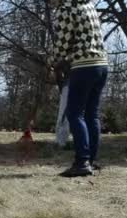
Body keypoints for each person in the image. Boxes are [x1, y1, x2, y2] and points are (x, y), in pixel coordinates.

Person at [48, 0, 109, 177]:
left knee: (74, 113)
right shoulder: (88, 5)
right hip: (102, 65)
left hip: (84, 66)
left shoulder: (66, 9)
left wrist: (51, 62)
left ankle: (82, 162)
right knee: (92, 114)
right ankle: (92, 160)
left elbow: (63, 43)